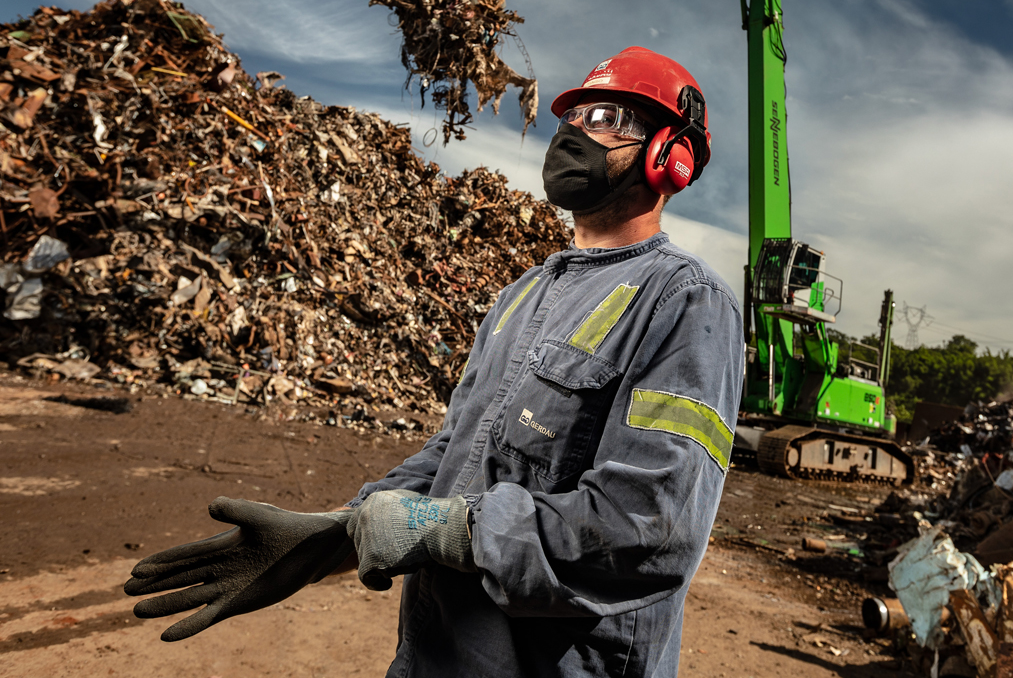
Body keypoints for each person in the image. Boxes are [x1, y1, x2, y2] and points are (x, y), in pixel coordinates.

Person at [125, 46, 744, 678]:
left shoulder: (686, 303)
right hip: (438, 656)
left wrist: (445, 531)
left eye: (608, 117)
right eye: (573, 114)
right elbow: (455, 455)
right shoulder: (523, 295)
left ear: (673, 157)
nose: (574, 133)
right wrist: (335, 535)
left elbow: (648, 527)